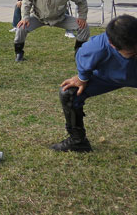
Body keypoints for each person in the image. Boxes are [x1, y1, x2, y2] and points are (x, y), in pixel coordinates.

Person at [51, 15, 137, 152]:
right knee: (69, 93)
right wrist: (82, 78)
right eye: (133, 52)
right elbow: (83, 59)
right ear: (113, 45)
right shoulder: (97, 46)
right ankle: (77, 141)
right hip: (108, 77)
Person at [14, 0, 89, 62]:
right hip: (38, 17)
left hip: (60, 18)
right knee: (21, 27)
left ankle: (78, 52)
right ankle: (19, 53)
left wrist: (82, 17)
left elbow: (82, 1)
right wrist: (25, 17)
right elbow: (26, 1)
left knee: (84, 27)